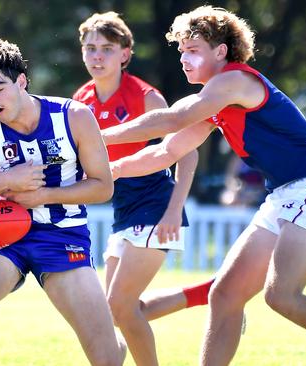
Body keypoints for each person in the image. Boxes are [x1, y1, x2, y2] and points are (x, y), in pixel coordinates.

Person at [101, 6, 306, 366]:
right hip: (286, 196)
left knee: (282, 296)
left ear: (221, 52)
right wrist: (112, 168)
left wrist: (95, 135)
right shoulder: (213, 100)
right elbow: (166, 153)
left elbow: (171, 119)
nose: (184, 58)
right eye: (181, 50)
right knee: (225, 294)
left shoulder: (233, 81)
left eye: (193, 50)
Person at [0, 38, 125, 366]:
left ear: (21, 81)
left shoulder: (74, 117)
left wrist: (44, 196)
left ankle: (113, 342)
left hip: (62, 235)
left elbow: (103, 188)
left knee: (106, 352)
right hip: (2, 238)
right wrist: (1, 182)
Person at [73, 12, 210, 366]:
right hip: (123, 210)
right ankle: (209, 293)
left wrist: (173, 211)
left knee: (118, 308)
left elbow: (187, 156)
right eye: (90, 48)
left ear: (125, 54)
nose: (97, 56)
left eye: (107, 48)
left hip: (155, 204)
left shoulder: (148, 98)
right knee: (116, 312)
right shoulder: (81, 100)